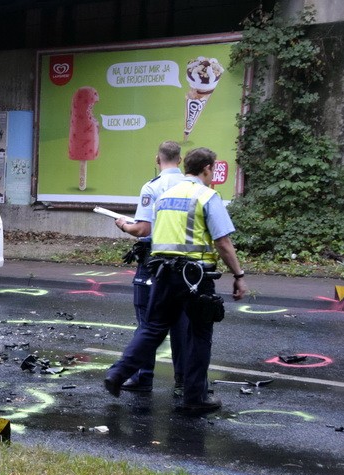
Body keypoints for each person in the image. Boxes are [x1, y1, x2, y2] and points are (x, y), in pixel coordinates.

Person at [104, 147, 249, 416]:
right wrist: (239, 276)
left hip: (161, 272)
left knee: (152, 328)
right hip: (194, 276)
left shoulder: (165, 195)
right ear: (206, 169)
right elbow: (223, 242)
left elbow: (150, 231)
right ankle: (195, 397)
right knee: (199, 335)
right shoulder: (207, 196)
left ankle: (117, 374)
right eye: (213, 169)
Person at [113, 141, 187, 393]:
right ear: (180, 159)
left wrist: (123, 224)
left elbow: (143, 229)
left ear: (157, 160)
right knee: (182, 324)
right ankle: (183, 381)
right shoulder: (192, 187)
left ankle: (143, 377)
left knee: (148, 320)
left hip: (154, 261)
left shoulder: (153, 187)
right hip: (186, 263)